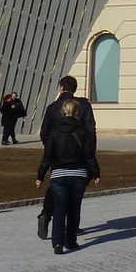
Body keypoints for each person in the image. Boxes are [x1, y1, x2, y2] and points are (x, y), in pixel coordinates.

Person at [36, 97, 100, 254]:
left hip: (58, 175)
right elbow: (89, 155)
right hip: (79, 174)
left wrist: (40, 176)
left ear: (62, 112)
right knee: (74, 209)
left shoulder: (54, 132)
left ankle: (57, 244)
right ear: (77, 112)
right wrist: (96, 173)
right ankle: (71, 241)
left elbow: (48, 156)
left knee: (59, 209)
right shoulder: (83, 131)